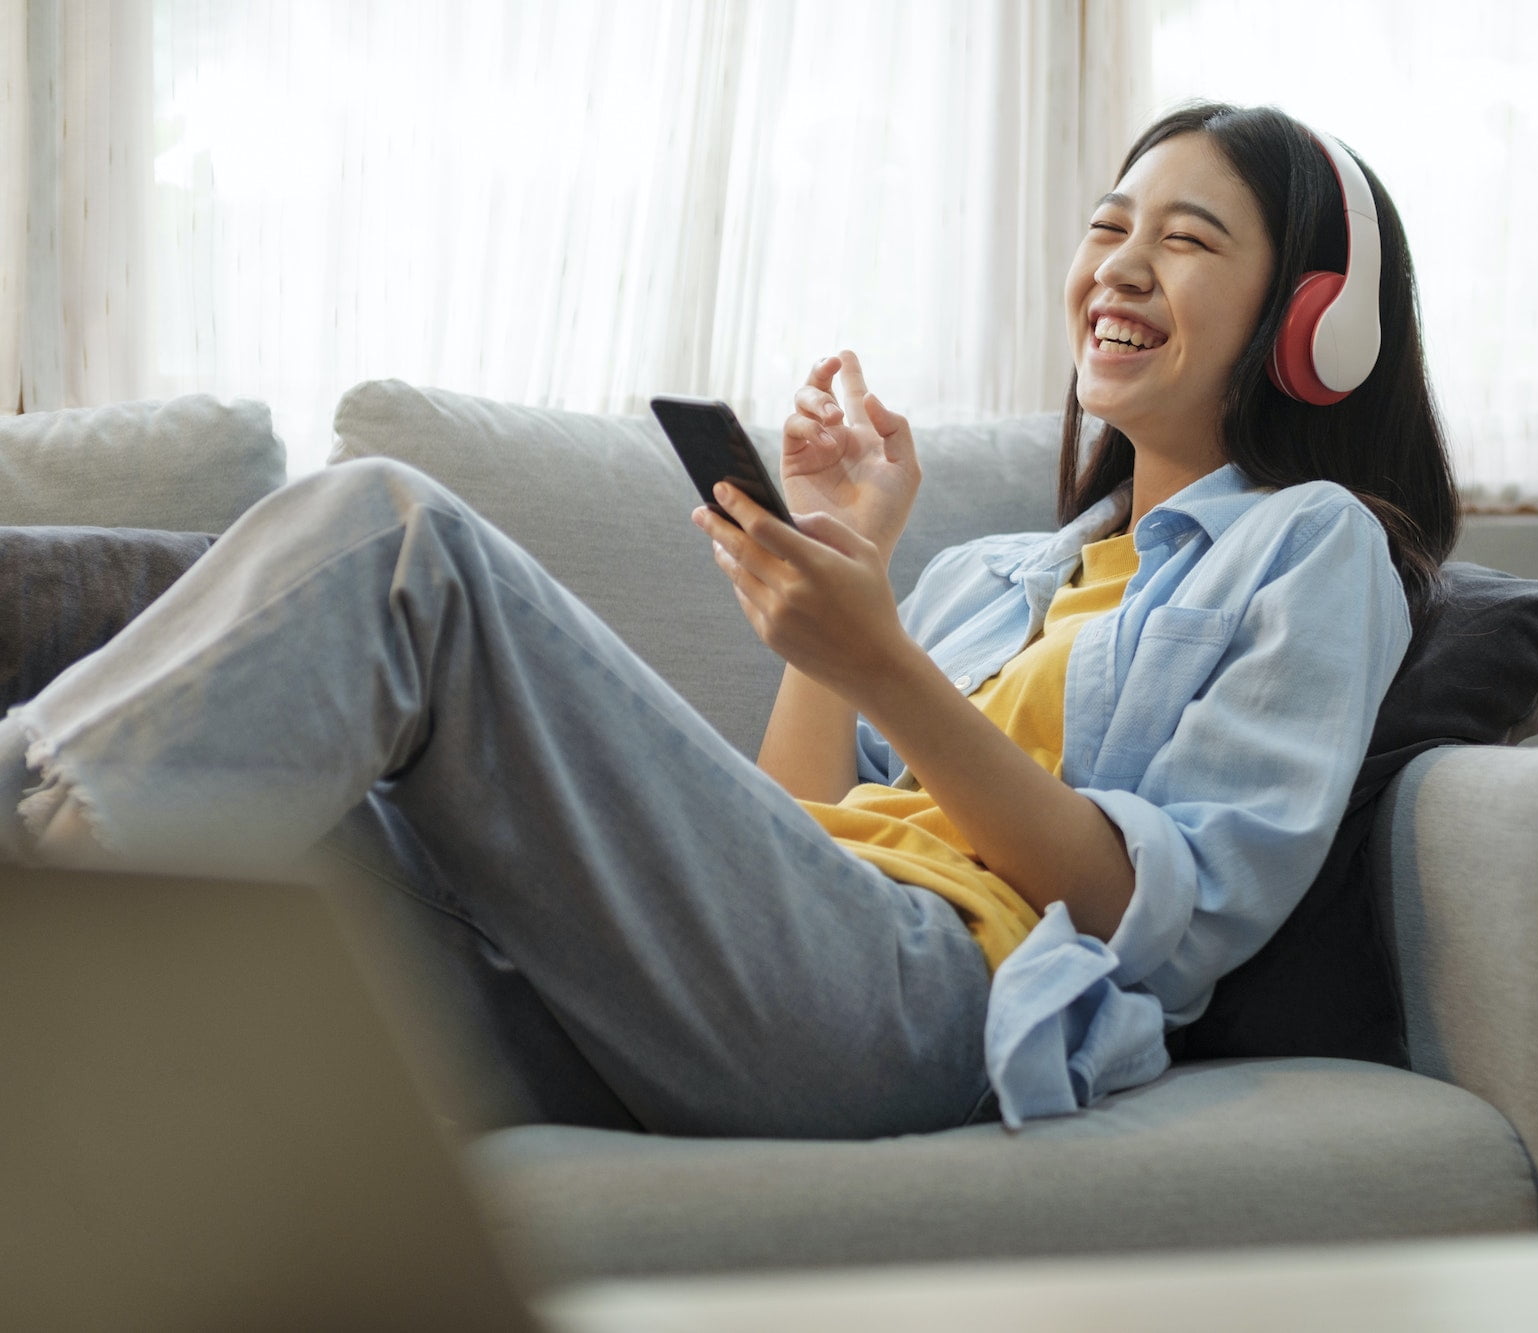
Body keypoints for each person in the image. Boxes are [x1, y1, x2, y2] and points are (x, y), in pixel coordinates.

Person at [0, 100, 1457, 1137]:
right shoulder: (998, 575)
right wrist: (851, 573)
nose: (1122, 263)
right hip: (769, 983)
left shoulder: (1311, 549)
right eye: (1108, 226)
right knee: (292, 795)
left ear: (1315, 319)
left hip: (928, 999)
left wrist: (881, 658)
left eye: (1189, 239)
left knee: (395, 541)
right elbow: (792, 824)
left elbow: (1158, 917)